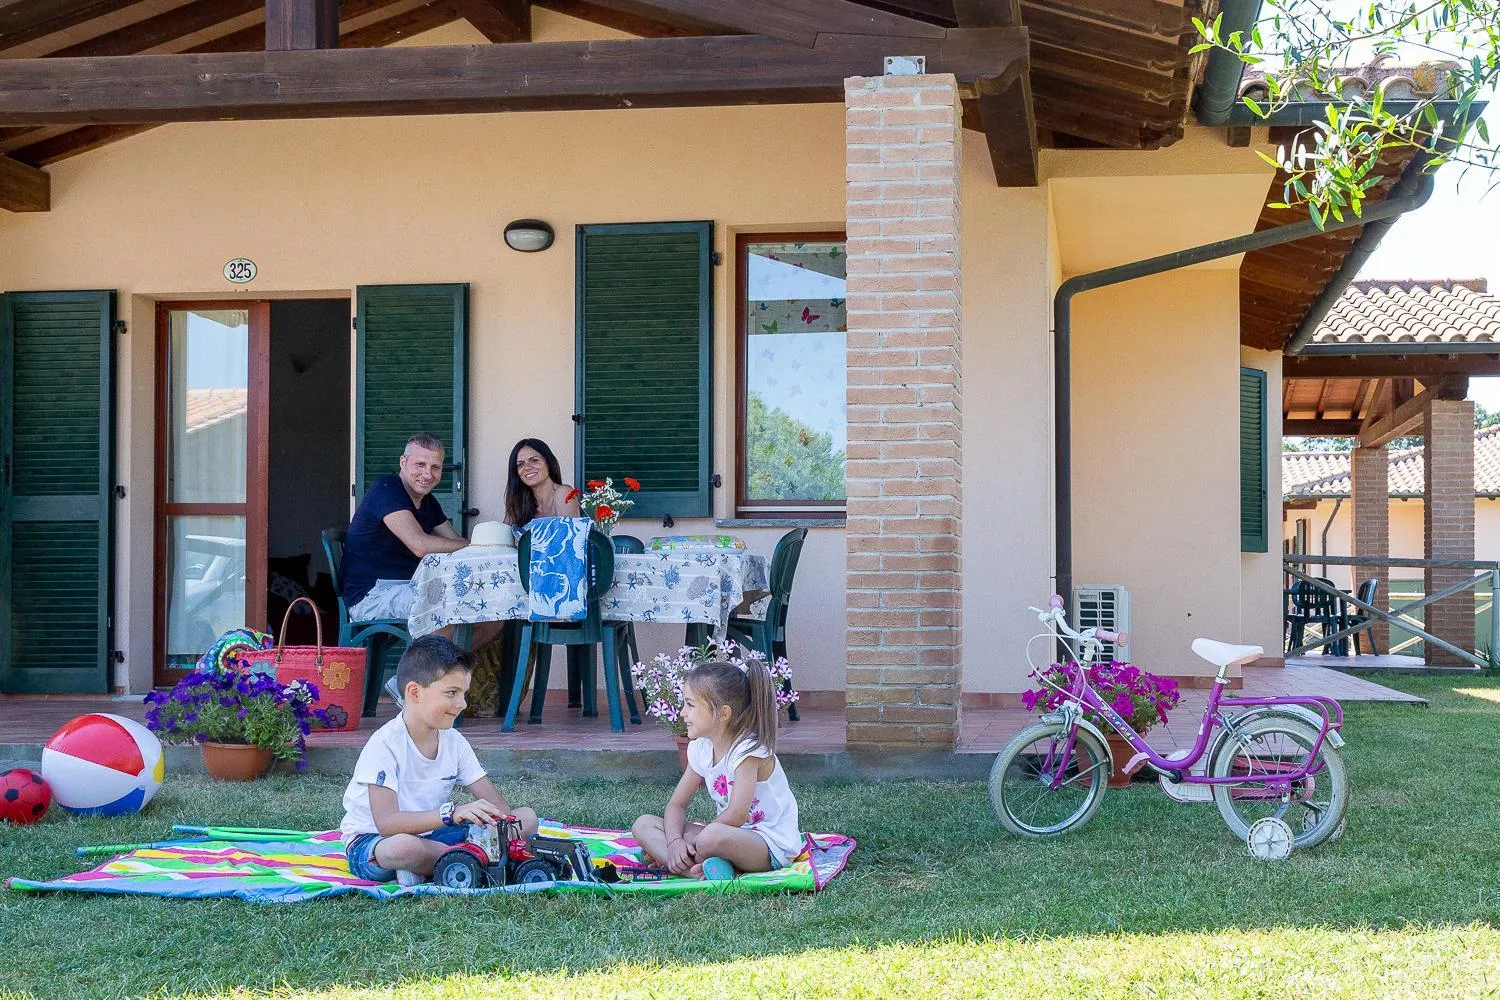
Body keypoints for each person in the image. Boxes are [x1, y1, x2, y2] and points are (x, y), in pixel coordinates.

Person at [340, 635, 538, 884]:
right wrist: (452, 813)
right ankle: (473, 861)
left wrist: (496, 821)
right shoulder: (384, 745)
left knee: (527, 818)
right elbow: (387, 823)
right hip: (375, 842)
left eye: (464, 693)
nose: (462, 703)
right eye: (451, 693)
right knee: (402, 848)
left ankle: (450, 864)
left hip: (433, 836)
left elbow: (501, 809)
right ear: (414, 692)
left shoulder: (454, 741)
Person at [631, 659, 802, 878]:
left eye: (690, 705)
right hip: (725, 834)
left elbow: (737, 814)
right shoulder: (701, 748)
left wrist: (696, 841)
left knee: (709, 837)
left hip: (767, 845)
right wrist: (675, 843)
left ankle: (677, 860)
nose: (683, 712)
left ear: (722, 713)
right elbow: (676, 804)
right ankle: (696, 869)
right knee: (643, 824)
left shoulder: (747, 751)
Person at [342, 433, 468, 623]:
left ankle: (450, 653)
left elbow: (456, 543)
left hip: (409, 587)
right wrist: (476, 546)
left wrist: (491, 547)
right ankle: (437, 653)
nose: (428, 474)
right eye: (420, 465)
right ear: (403, 462)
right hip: (371, 596)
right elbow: (420, 545)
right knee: (442, 605)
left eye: (435, 467)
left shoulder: (428, 502)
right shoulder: (385, 490)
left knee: (482, 605)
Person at [503, 438, 579, 531]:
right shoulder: (519, 503)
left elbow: (568, 539)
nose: (527, 467)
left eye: (534, 460)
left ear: (548, 462)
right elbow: (502, 540)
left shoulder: (563, 493)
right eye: (520, 464)